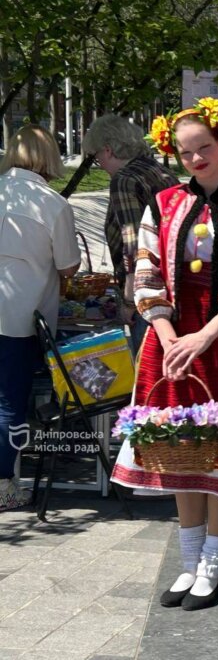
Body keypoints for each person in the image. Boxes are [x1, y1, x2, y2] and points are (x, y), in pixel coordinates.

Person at [110, 98, 218, 610]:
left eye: (204, 148)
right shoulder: (162, 204)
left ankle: (214, 562)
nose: (196, 160)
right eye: (185, 153)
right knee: (179, 448)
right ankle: (189, 562)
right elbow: (143, 268)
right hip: (169, 345)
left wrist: (203, 337)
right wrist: (167, 335)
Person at [0, 125, 80, 511]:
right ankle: (3, 485)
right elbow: (68, 268)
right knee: (9, 402)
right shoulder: (51, 203)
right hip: (19, 316)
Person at [83, 114, 178, 352]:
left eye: (96, 158)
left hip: (147, 291)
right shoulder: (155, 168)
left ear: (108, 150)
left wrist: (128, 300)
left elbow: (134, 244)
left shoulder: (124, 180)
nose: (100, 164)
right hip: (172, 281)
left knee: (147, 367)